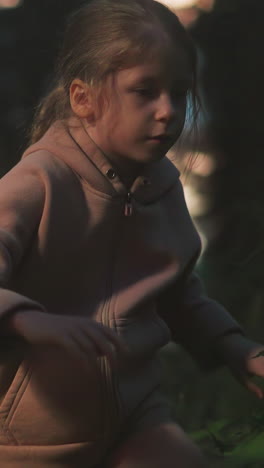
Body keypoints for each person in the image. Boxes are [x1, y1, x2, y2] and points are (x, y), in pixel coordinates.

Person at [0, 0, 263, 466]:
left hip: (135, 416)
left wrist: (233, 346)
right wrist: (24, 319)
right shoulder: (39, 181)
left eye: (179, 92)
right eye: (144, 91)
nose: (167, 111)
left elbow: (177, 293)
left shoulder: (161, 185)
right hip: (31, 440)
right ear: (84, 99)